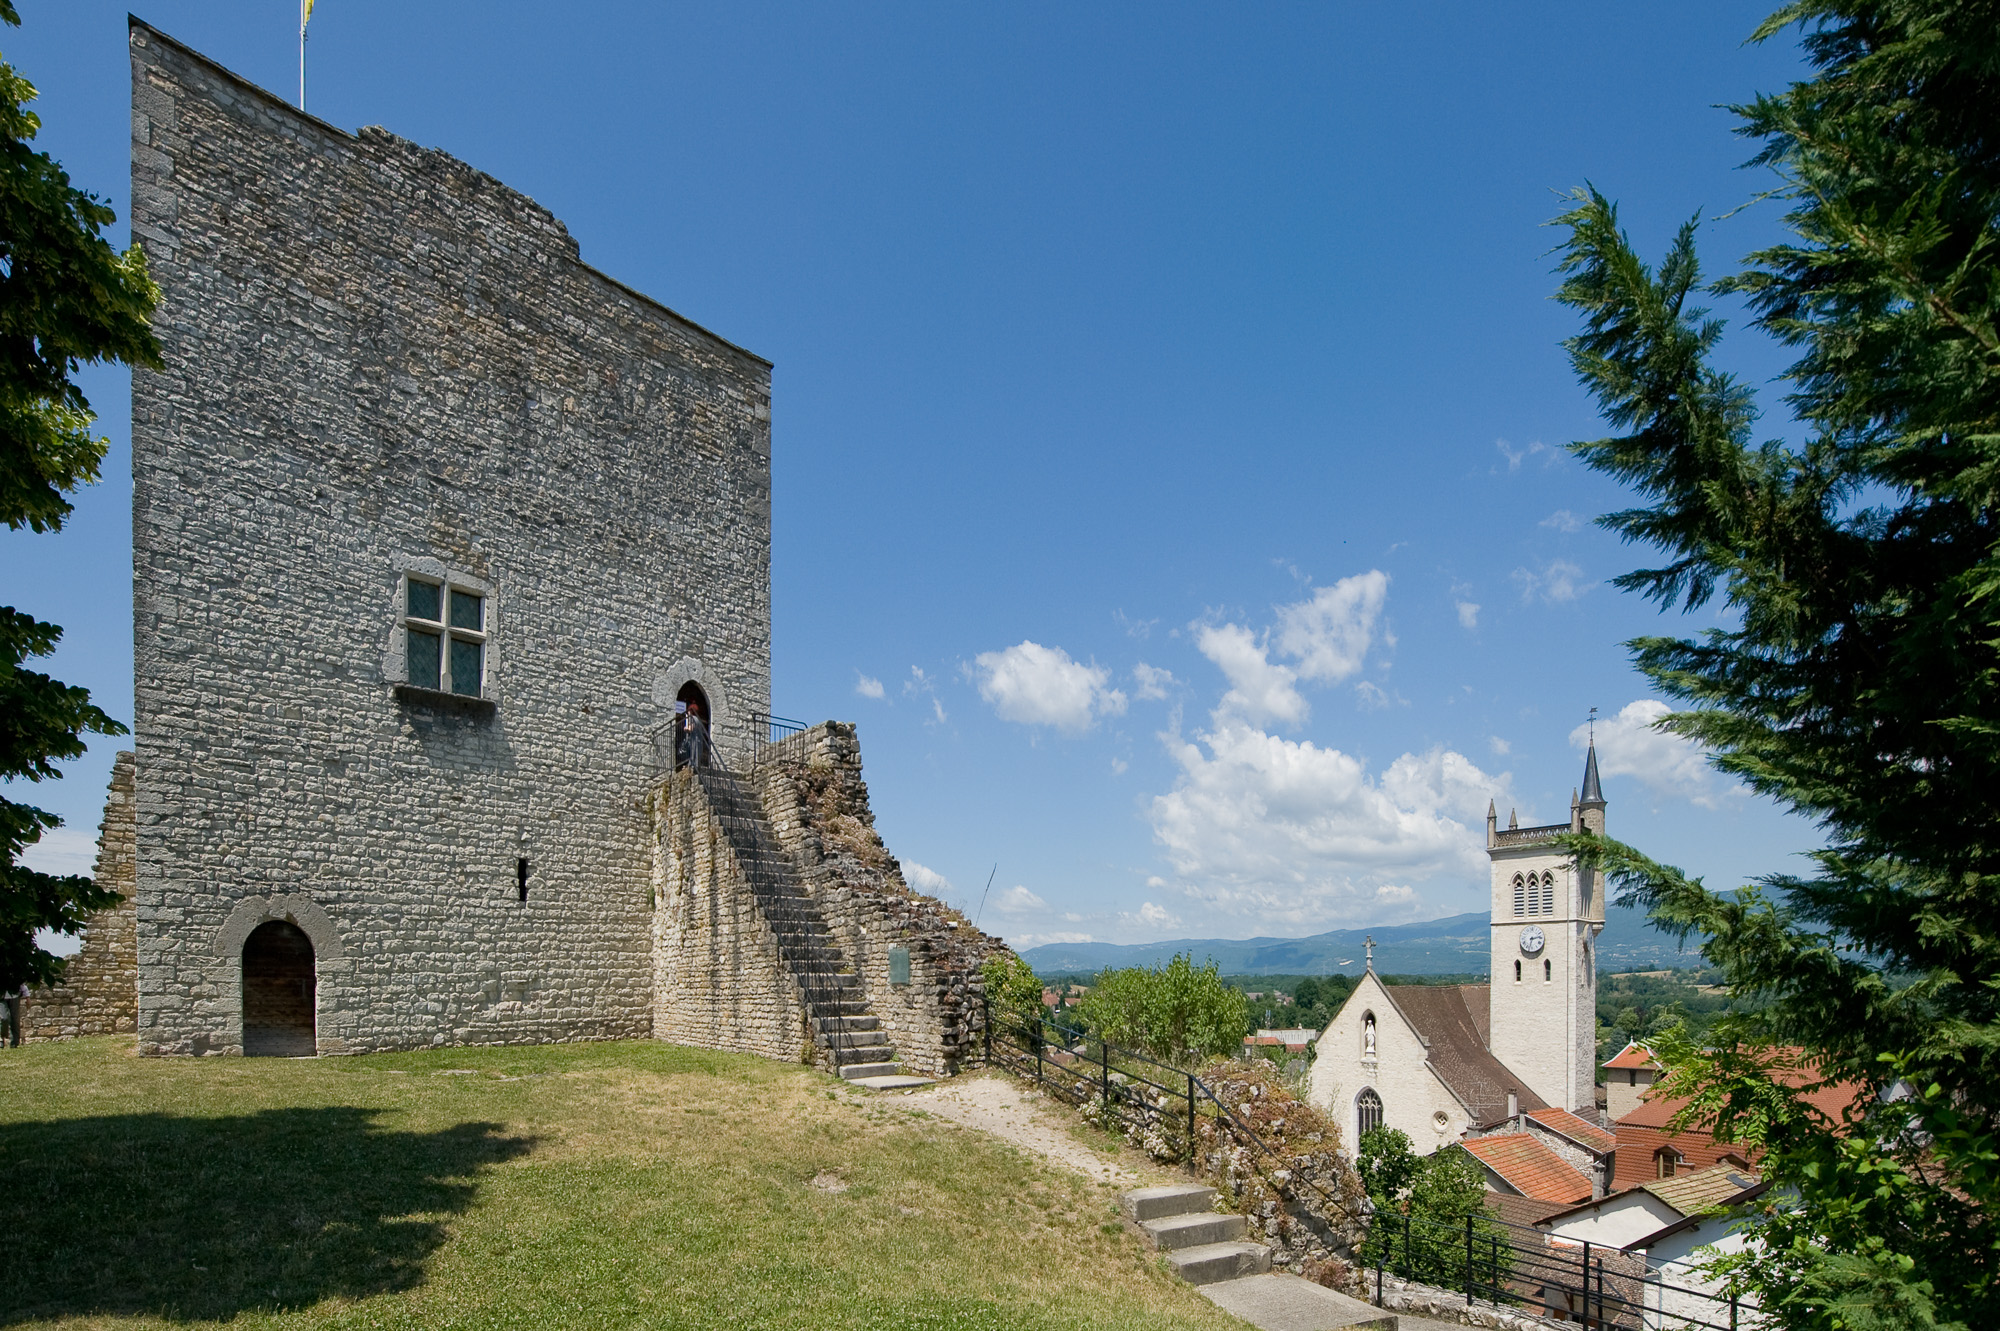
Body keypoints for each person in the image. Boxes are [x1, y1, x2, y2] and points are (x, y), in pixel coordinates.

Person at [680, 701, 709, 772]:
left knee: (693, 752)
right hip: (699, 739)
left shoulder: (692, 718)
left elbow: (691, 728)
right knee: (697, 752)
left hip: (694, 739)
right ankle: (696, 766)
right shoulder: (698, 720)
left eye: (688, 711)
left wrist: (685, 729)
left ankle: (692, 766)